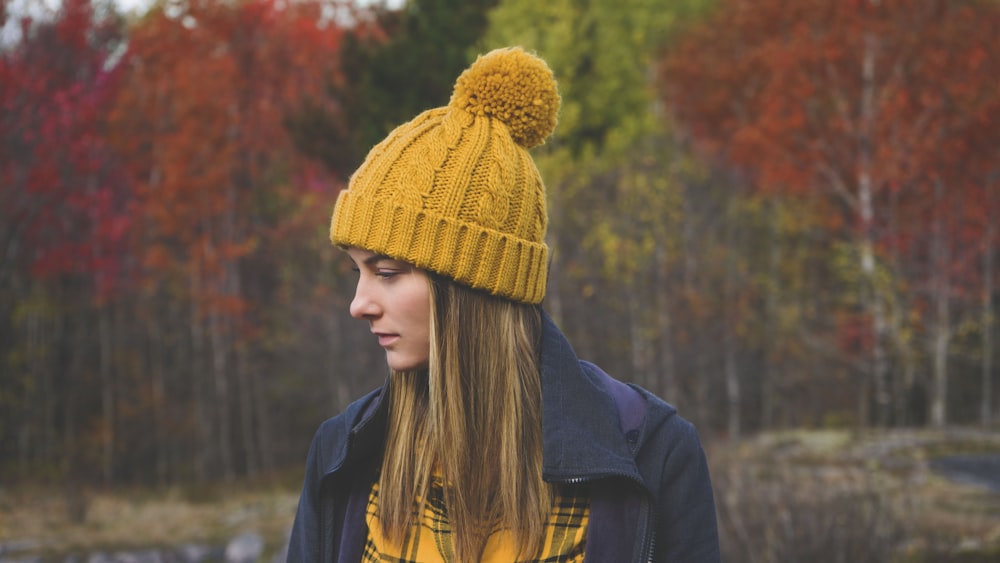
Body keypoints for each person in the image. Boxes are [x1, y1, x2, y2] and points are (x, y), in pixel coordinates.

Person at [287, 46, 721, 563]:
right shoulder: (344, 456)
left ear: (474, 286)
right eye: (357, 272)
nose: (359, 304)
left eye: (386, 273)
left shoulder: (651, 455)